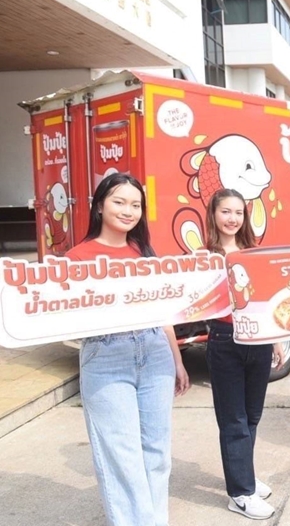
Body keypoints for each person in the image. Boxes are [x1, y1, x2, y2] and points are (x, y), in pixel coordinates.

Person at [65, 172, 191, 526]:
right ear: (99, 206)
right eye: (119, 202)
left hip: (154, 352)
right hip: (106, 356)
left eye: (136, 205)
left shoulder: (145, 253)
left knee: (157, 452)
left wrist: (177, 360)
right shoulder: (76, 258)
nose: (128, 211)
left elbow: (162, 311)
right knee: (122, 457)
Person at [202, 188, 285, 520]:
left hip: (259, 340)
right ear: (213, 214)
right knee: (233, 419)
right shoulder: (204, 256)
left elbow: (264, 298)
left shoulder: (252, 252)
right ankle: (240, 492)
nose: (232, 218)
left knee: (252, 415)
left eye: (238, 212)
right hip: (225, 340)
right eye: (226, 211)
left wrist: (275, 339)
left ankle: (244, 476)